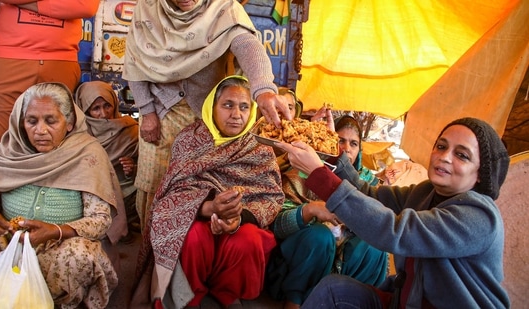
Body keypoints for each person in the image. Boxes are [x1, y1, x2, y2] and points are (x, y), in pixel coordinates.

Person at [276, 117, 511, 308]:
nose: (444, 156)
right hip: (407, 301)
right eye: (441, 146)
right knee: (333, 290)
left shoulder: (479, 217)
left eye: (462, 155)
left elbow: (396, 231)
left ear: (480, 174)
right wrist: (333, 153)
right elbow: (370, 195)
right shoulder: (427, 192)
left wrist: (319, 176)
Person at [123, 0, 292, 230]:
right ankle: (152, 254)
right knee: (155, 186)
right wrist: (147, 111)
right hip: (161, 112)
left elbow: (247, 44)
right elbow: (135, 61)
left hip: (209, 116)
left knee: (201, 187)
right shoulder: (148, 8)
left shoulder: (223, 7)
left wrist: (263, 89)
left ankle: (189, 256)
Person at [130, 76, 284, 309]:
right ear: (212, 106)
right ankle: (190, 297)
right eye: (228, 105)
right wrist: (209, 208)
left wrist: (237, 218)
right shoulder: (190, 139)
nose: (236, 114)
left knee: (249, 240)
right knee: (192, 237)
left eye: (244, 107)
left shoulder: (259, 148)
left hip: (241, 221)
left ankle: (228, 295)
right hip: (198, 216)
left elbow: (271, 197)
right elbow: (173, 193)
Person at [0, 82, 128, 308]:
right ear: (22, 123)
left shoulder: (87, 154)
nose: (40, 130)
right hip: (7, 239)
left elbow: (100, 220)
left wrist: (55, 231)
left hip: (59, 245)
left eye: (51, 121)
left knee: (79, 255)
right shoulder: (9, 153)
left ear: (69, 123)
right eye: (32, 121)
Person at [266, 112, 388, 309]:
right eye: (340, 140)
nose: (346, 148)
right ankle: (294, 302)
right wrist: (311, 209)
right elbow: (276, 226)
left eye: (354, 143)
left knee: (374, 245)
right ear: (329, 142)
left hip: (345, 266)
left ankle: (350, 302)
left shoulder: (366, 184)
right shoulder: (300, 174)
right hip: (300, 265)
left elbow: (383, 219)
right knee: (320, 236)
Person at [0, 0, 100, 150]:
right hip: (8, 60)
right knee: (1, 145)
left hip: (60, 60)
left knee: (53, 142)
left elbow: (86, 6)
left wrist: (26, 4)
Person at [75, 80, 140, 235]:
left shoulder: (130, 130)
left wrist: (133, 169)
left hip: (125, 191)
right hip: (91, 190)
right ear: (84, 109)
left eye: (107, 106)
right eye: (95, 108)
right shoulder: (78, 134)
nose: (103, 114)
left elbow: (147, 167)